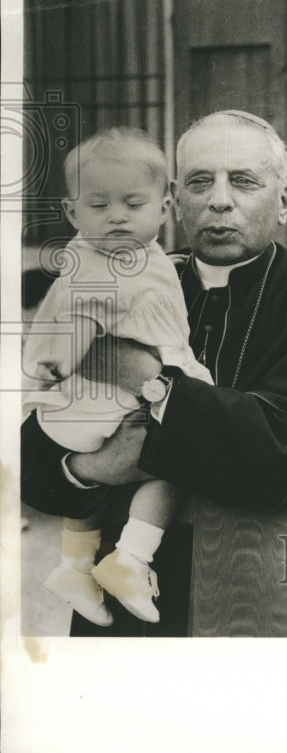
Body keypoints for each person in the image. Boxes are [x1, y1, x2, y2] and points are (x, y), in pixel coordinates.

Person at [22, 110, 287, 637]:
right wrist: (91, 468)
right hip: (124, 597)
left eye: (244, 181)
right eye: (200, 182)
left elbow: (286, 462)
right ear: (175, 200)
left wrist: (149, 380)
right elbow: (32, 457)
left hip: (279, 577)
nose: (219, 200)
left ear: (285, 201)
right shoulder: (120, 282)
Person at [23, 127, 213, 627]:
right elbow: (86, 315)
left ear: (164, 206)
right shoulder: (112, 263)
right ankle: (131, 558)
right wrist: (64, 358)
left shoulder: (122, 254)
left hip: (78, 409)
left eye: (132, 203)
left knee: (109, 470)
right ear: (72, 213)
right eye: (99, 205)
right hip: (98, 398)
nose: (117, 216)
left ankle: (74, 566)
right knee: (180, 453)